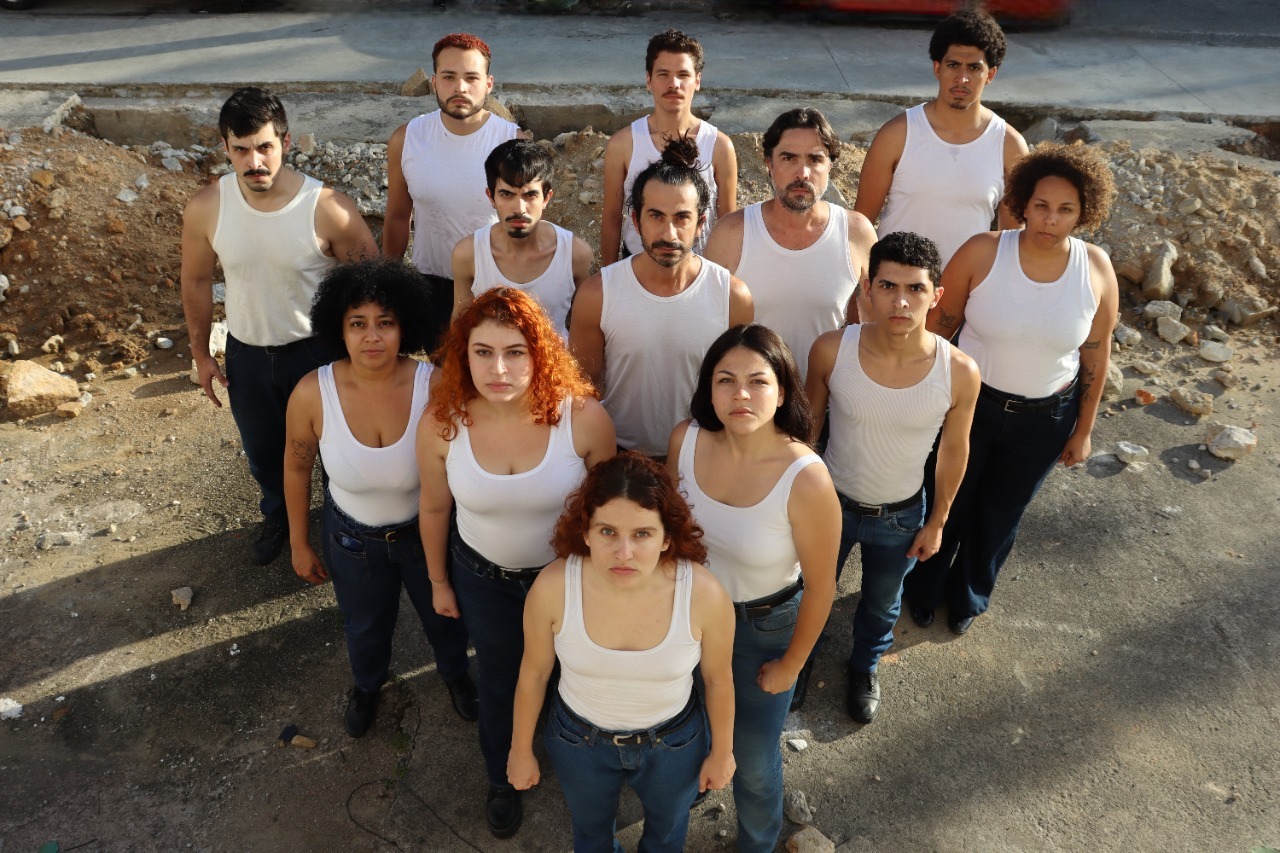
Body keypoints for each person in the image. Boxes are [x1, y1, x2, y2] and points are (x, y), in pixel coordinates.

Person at [418, 286, 615, 839]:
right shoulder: (442, 423)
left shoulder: (582, 419)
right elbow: (433, 506)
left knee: (572, 674)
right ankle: (504, 774)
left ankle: (582, 765)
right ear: (463, 355)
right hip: (484, 579)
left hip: (568, 578)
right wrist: (439, 582)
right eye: (483, 352)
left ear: (540, 353)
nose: (498, 368)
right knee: (503, 679)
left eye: (515, 352)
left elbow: (608, 511)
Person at [903, 142, 1119, 635]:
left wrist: (1083, 429)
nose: (1050, 219)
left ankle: (967, 598)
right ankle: (922, 588)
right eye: (1041, 206)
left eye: (1066, 210)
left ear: (1084, 212)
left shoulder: (1097, 269)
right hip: (969, 410)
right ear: (1022, 202)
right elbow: (936, 330)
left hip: (1046, 420)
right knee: (946, 503)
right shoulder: (984, 251)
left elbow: (1095, 353)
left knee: (1000, 515)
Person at [181, 86, 378, 566]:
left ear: (286, 142)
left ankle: (339, 528)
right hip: (247, 356)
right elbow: (197, 281)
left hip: (319, 354)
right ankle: (278, 517)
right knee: (264, 454)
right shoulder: (207, 207)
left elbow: (372, 284)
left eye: (265, 146)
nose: (255, 161)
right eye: (242, 149)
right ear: (225, 148)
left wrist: (368, 360)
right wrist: (202, 355)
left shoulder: (327, 208)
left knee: (336, 455)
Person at [281, 259, 476, 737]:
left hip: (426, 535)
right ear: (338, 329)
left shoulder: (433, 384)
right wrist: (299, 543)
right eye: (358, 324)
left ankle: (454, 675)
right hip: (352, 542)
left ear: (403, 326)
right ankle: (367, 685)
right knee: (364, 625)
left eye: (385, 323)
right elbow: (296, 466)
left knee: (445, 616)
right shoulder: (313, 393)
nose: (373, 336)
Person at [667, 325, 840, 853]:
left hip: (761, 629)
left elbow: (821, 587)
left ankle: (758, 842)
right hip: (688, 618)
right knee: (691, 721)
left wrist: (790, 666)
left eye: (757, 381)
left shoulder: (805, 477)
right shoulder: (685, 440)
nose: (741, 394)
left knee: (755, 758)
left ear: (783, 390)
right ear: (708, 388)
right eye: (726, 380)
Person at [508, 453, 736, 853]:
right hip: (578, 741)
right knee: (591, 834)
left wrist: (722, 753)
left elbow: (718, 679)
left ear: (667, 537)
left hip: (675, 745)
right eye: (608, 531)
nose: (624, 553)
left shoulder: (704, 594)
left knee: (667, 835)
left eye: (643, 534)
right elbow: (534, 674)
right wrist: (520, 749)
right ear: (586, 532)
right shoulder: (553, 587)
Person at [805, 232, 979, 723]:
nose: (901, 301)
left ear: (936, 295)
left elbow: (953, 451)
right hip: (829, 506)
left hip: (902, 515)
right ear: (868, 287)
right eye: (887, 286)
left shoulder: (960, 371)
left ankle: (864, 668)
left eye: (915, 289)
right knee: (811, 593)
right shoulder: (830, 350)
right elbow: (806, 436)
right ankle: (801, 663)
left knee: (883, 606)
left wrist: (938, 520)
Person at [570, 136, 753, 458]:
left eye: (681, 218)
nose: (669, 234)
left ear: (701, 223)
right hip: (617, 457)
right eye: (656, 216)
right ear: (635, 220)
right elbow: (582, 394)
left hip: (703, 455)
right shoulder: (597, 295)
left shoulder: (732, 297)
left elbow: (737, 391)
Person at [703, 108, 876, 381]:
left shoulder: (856, 232)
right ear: (769, 163)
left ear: (830, 165)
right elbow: (706, 331)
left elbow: (871, 326)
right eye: (789, 158)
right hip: (751, 403)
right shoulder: (732, 232)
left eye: (815, 159)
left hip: (833, 403)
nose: (802, 172)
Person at [854, 10, 1029, 267]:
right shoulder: (897, 134)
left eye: (974, 67)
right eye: (953, 65)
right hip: (896, 292)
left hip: (968, 295)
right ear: (937, 68)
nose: (962, 78)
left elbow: (1013, 242)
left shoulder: (1009, 146)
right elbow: (860, 225)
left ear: (990, 74)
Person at [384, 33, 525, 352]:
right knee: (439, 381)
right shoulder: (407, 139)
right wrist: (389, 284)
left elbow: (524, 222)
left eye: (471, 78)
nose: (460, 88)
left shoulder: (511, 143)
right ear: (434, 82)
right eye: (449, 77)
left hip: (494, 285)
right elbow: (396, 217)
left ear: (488, 84)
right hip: (429, 286)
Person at [600, 28, 737, 265]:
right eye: (663, 74)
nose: (673, 84)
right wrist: (608, 280)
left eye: (683, 74)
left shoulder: (719, 146)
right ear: (648, 80)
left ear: (697, 81)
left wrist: (725, 280)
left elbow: (728, 223)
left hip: (698, 269)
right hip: (637, 266)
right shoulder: (623, 144)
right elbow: (612, 219)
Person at [451, 138, 594, 339]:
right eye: (507, 194)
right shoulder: (468, 254)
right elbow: (460, 330)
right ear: (491, 197)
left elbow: (587, 331)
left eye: (530, 195)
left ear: (546, 198)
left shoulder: (576, 255)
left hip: (556, 368)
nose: (519, 208)